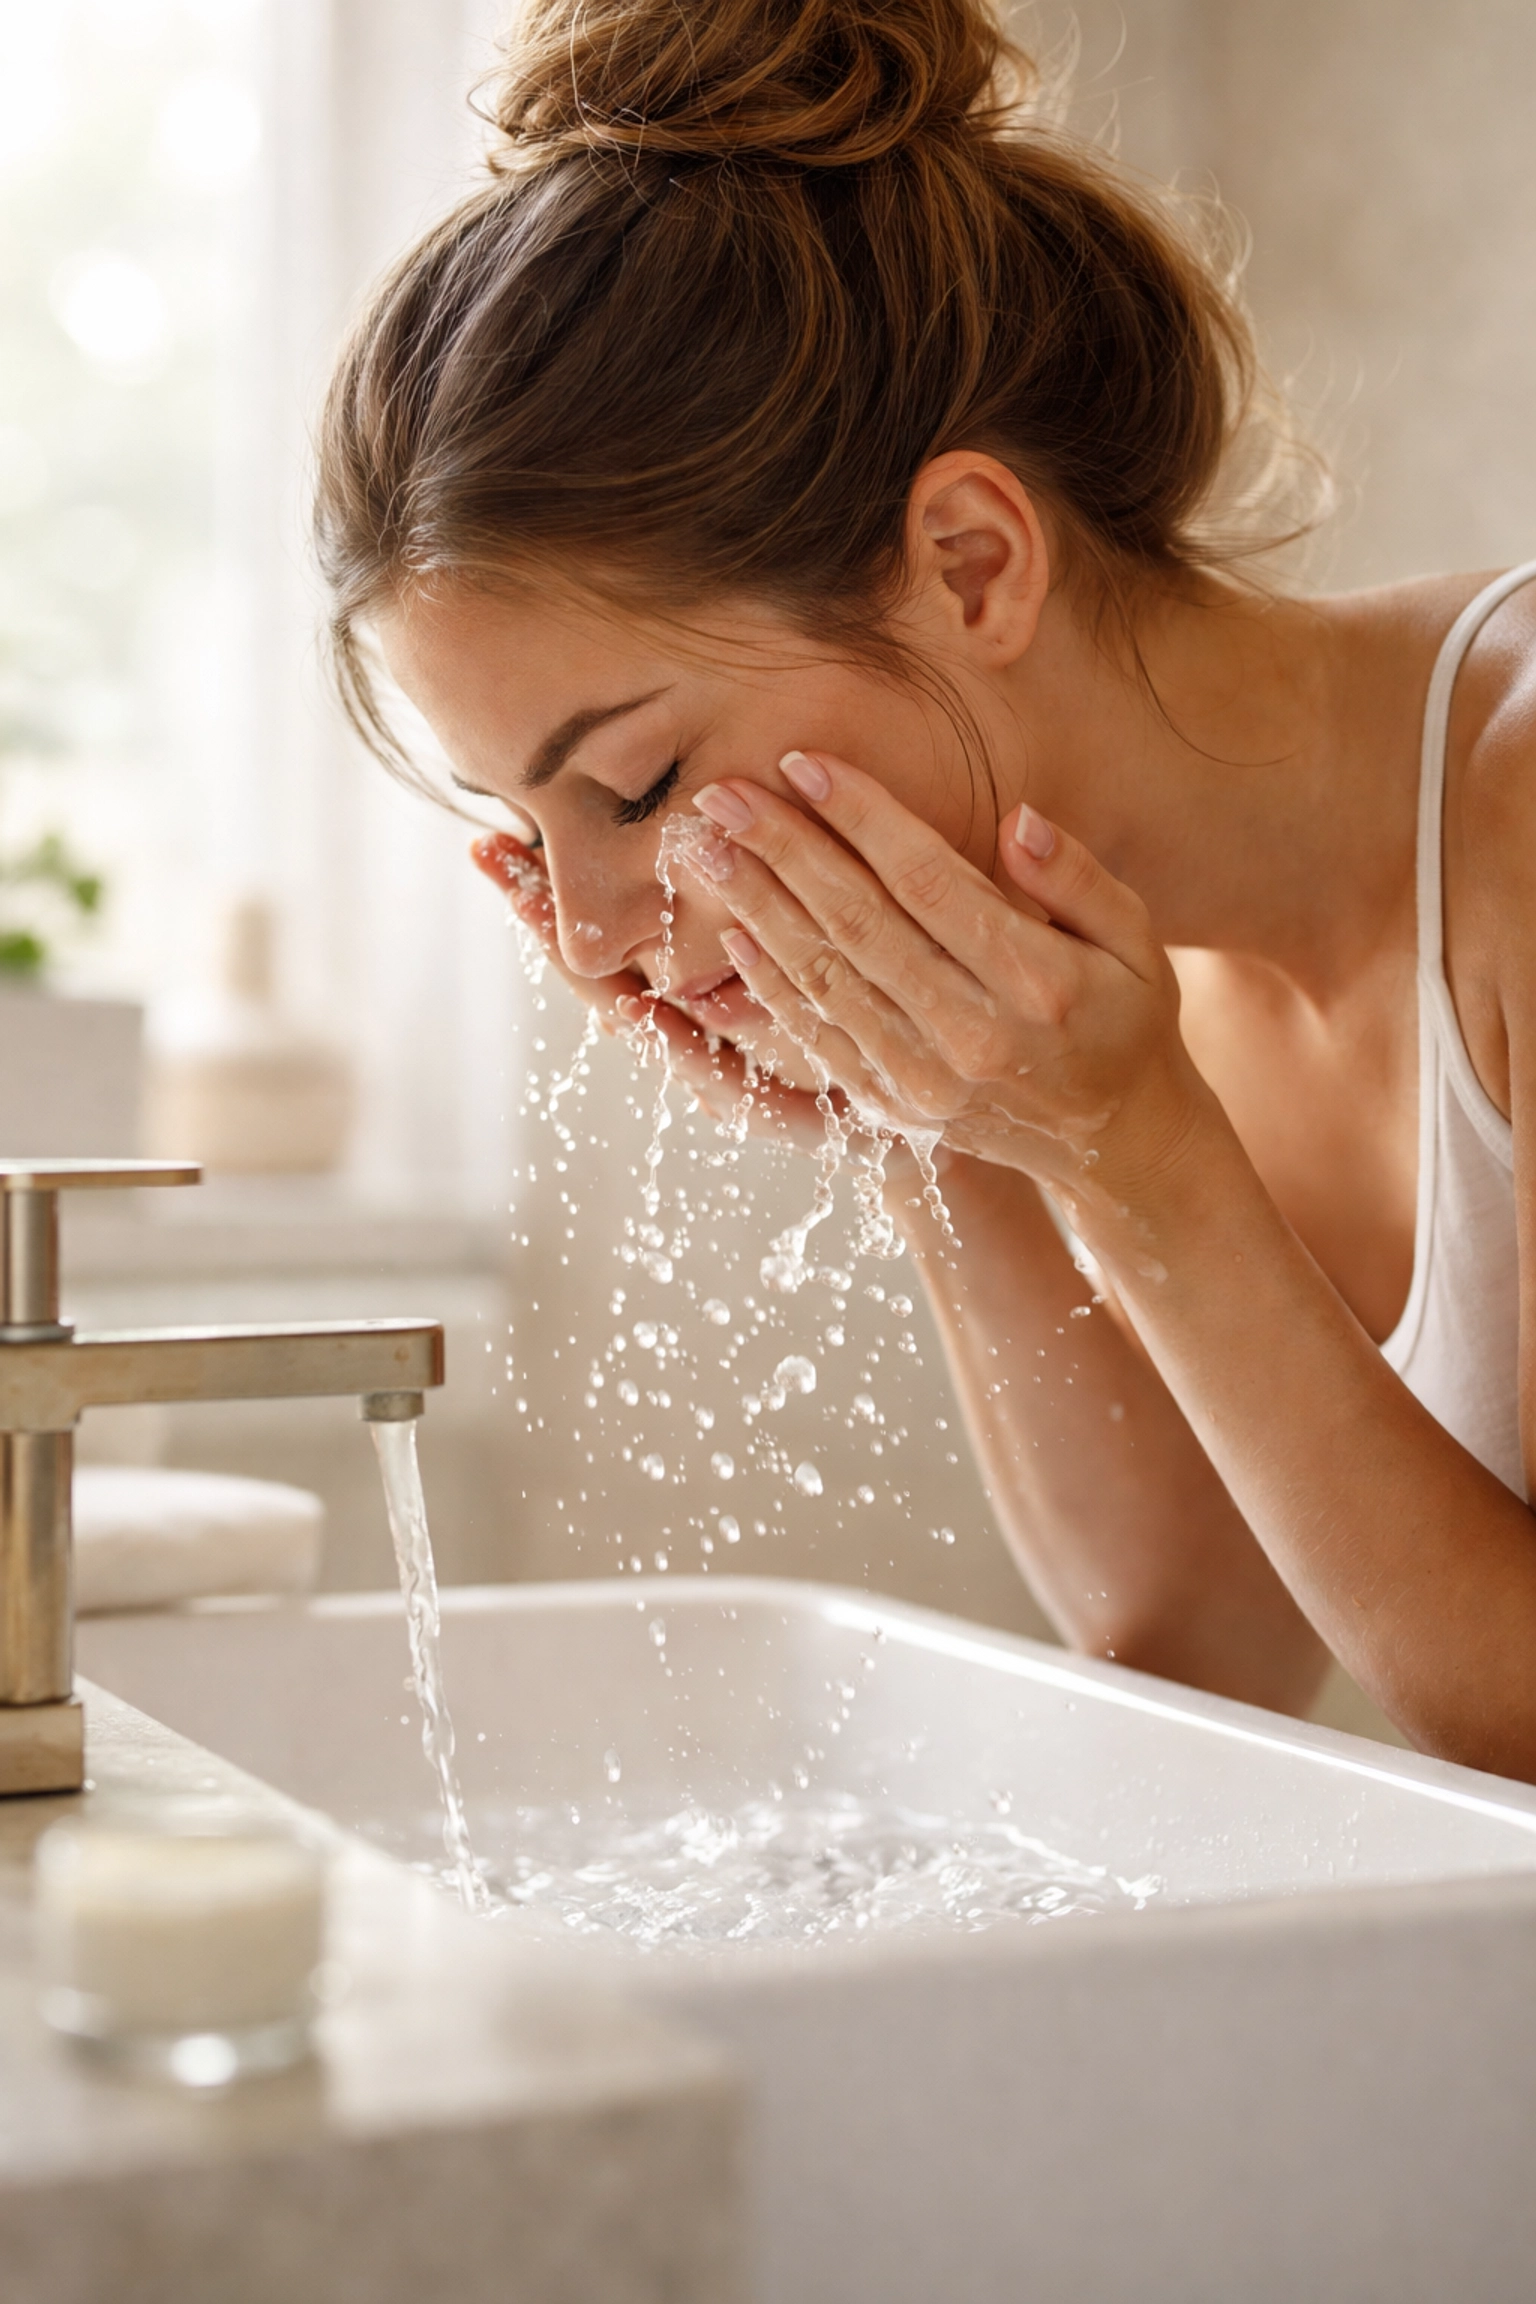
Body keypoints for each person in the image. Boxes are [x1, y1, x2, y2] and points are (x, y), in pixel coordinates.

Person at [314, 0, 1536, 1778]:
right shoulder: (1080, 941)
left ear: (972, 565)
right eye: (526, 824)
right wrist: (932, 1111)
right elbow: (1200, 1647)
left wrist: (1145, 1162)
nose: (586, 936)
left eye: (640, 783)